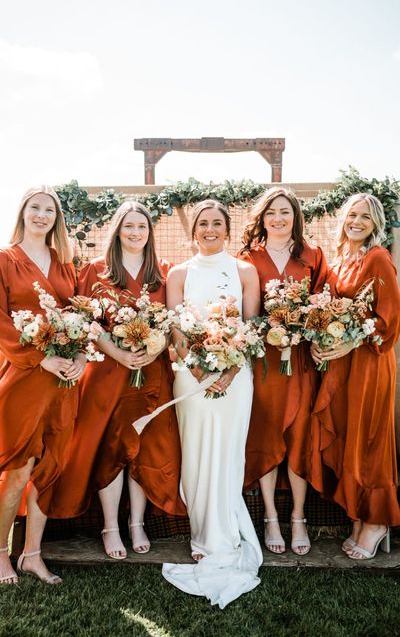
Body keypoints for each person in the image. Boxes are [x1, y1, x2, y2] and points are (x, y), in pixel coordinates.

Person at [48, 201, 185, 558]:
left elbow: (172, 322)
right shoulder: (96, 270)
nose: (135, 232)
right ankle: (111, 526)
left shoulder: (164, 271)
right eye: (129, 226)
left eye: (142, 226)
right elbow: (87, 322)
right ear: (117, 230)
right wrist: (118, 352)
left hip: (153, 373)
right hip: (108, 374)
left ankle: (137, 522)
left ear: (149, 232)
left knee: (144, 446)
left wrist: (155, 349)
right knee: (111, 447)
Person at [162, 199, 263, 609]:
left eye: (216, 223)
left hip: (236, 376)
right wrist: (200, 373)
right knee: (198, 453)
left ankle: (227, 534)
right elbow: (175, 329)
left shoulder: (245, 271)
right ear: (194, 231)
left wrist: (229, 371)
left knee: (228, 452)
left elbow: (251, 327)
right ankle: (202, 536)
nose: (209, 229)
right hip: (190, 375)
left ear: (227, 229)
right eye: (202, 223)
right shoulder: (179, 273)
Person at [0, 185, 83, 585]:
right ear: (23, 213)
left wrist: (80, 358)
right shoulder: (4, 260)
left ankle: (32, 555)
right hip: (24, 375)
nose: (41, 215)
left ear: (56, 219)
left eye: (49, 210)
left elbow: (83, 317)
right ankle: (2, 555)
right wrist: (40, 357)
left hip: (64, 381)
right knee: (17, 469)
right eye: (35, 208)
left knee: (49, 469)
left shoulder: (66, 263)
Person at [239, 187, 328, 555]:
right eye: (271, 212)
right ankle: (271, 517)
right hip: (263, 365)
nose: (278, 219)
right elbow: (242, 313)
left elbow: (324, 305)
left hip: (301, 363)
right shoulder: (247, 258)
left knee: (300, 437)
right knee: (263, 435)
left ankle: (298, 518)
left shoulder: (313, 256)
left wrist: (305, 333)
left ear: (296, 218)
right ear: (262, 218)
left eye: (285, 212)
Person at [310, 193, 400, 559]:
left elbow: (389, 320)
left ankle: (377, 521)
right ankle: (359, 518)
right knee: (352, 439)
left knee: (371, 440)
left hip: (369, 364)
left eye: (365, 216)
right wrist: (320, 340)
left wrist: (350, 344)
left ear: (375, 223)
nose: (357, 222)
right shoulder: (341, 260)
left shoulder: (378, 259)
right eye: (352, 215)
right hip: (342, 365)